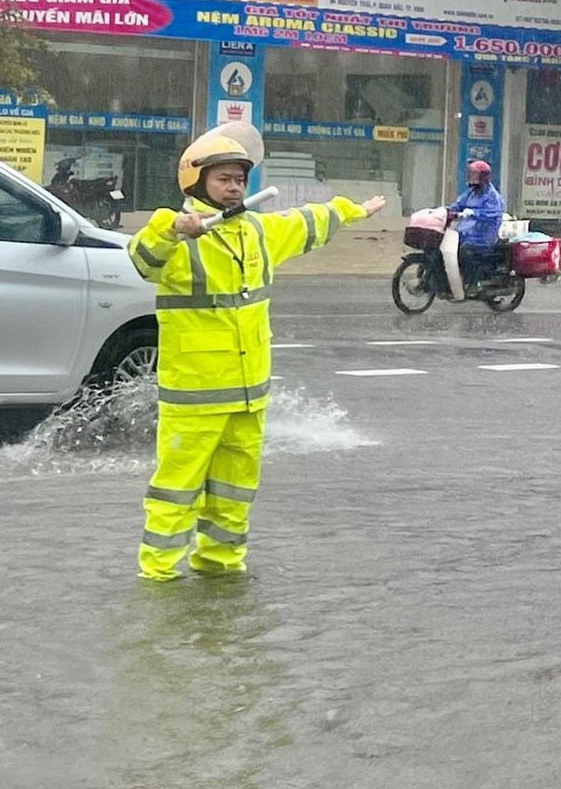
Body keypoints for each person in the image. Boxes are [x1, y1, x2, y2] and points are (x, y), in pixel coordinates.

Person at [127, 125, 385, 580]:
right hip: (195, 395)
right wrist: (173, 228)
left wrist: (351, 211)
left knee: (235, 490)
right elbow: (143, 258)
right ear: (197, 181)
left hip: (248, 395)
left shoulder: (258, 232)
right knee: (176, 489)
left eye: (239, 179)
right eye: (223, 178)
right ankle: (158, 576)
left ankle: (221, 568)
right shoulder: (179, 234)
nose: (233, 187)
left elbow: (308, 221)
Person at [447, 159, 506, 291]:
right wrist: (446, 210)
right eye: (471, 175)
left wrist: (475, 212)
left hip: (483, 238)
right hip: (467, 233)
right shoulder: (471, 192)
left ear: (483, 177)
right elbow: (458, 204)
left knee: (465, 252)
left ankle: (473, 283)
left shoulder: (492, 196)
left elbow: (493, 213)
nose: (472, 178)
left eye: (475, 175)